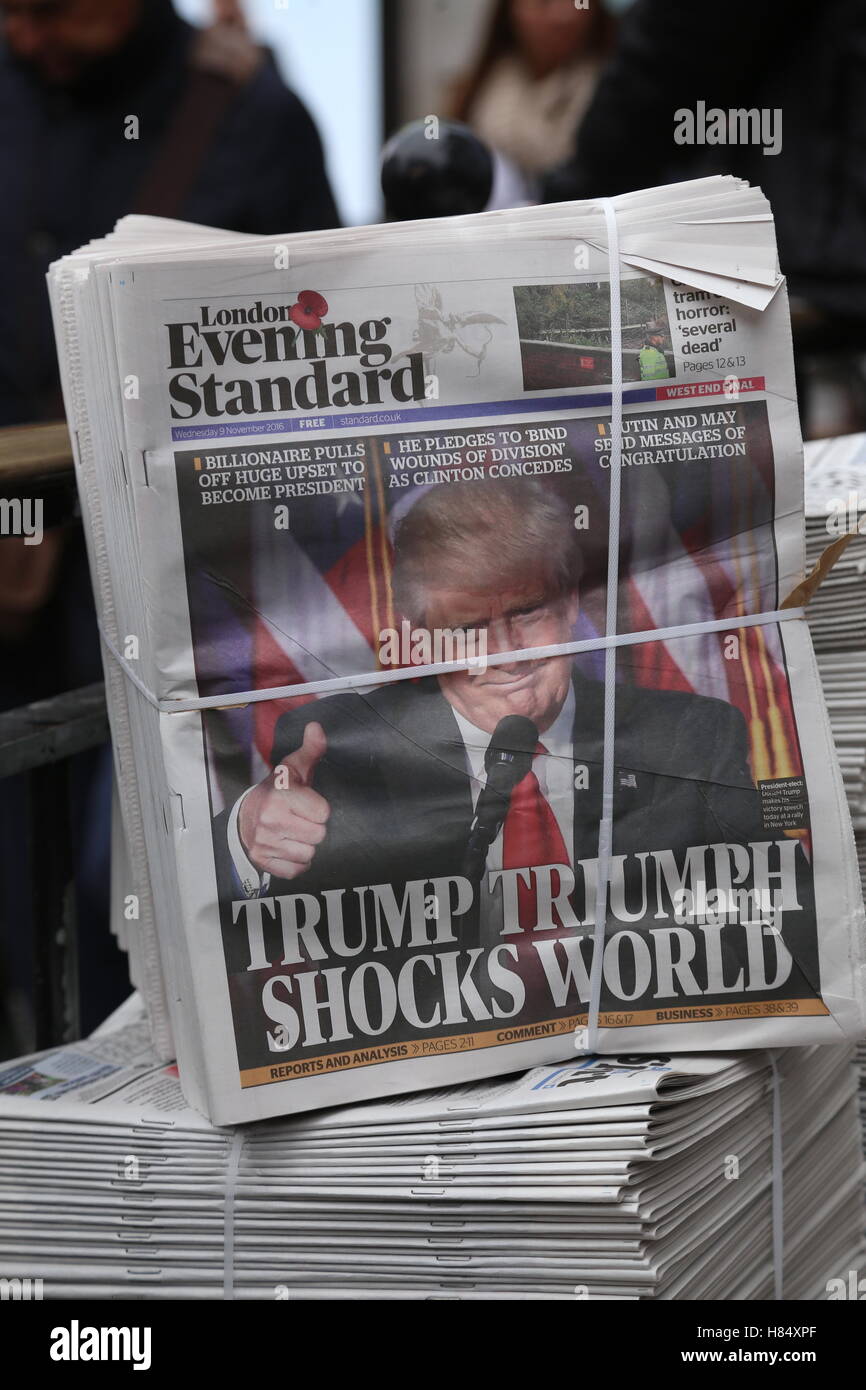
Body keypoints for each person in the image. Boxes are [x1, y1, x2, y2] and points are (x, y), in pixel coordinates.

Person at [0, 0, 338, 1044]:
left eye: (57, 10)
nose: (29, 34)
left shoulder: (239, 109)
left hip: (172, 590)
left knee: (129, 916)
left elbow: (321, 359)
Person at [451, 0, 614, 183]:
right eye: (543, 2)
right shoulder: (477, 92)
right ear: (510, 9)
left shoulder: (619, 94)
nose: (564, 15)